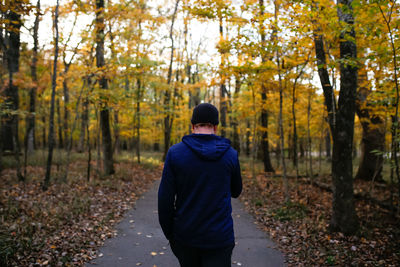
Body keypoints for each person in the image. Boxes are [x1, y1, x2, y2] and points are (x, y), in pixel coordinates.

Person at [158, 103, 242, 267]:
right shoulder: (231, 154)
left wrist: (171, 234)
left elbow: (164, 200)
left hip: (186, 237)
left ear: (193, 126)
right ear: (216, 127)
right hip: (220, 238)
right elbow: (236, 191)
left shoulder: (175, 153)